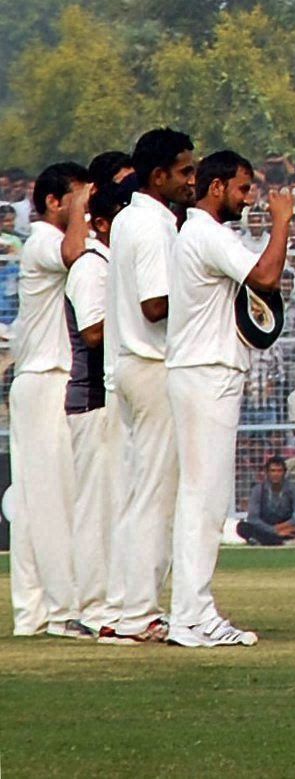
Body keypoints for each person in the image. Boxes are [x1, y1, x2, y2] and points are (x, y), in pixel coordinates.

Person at [164, 151, 292, 647]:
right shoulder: (206, 233)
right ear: (216, 187)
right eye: (242, 189)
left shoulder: (197, 233)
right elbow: (264, 278)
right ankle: (192, 616)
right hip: (206, 372)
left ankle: (189, 613)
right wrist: (281, 223)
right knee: (204, 498)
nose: (249, 198)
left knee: (201, 497)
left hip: (201, 370)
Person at [98, 128, 195, 645]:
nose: (192, 181)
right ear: (159, 176)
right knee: (156, 497)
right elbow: (157, 305)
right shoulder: (154, 226)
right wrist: (207, 297)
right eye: (185, 171)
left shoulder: (130, 219)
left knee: (142, 495)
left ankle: (127, 606)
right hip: (154, 365)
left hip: (132, 367)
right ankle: (139, 613)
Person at [8, 163, 92, 638]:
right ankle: (60, 612)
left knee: (34, 502)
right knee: (52, 500)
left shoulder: (39, 241)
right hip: (44, 379)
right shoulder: (42, 239)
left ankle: (32, 612)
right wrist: (81, 211)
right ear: (55, 201)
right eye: (77, 198)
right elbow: (75, 252)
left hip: (37, 380)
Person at [62, 152, 133, 638]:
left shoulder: (110, 262)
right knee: (95, 508)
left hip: (109, 401)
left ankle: (114, 603)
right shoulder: (91, 265)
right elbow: (92, 333)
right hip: (92, 402)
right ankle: (91, 608)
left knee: (114, 506)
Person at [237, 456, 295, 545]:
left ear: (284, 473)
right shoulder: (258, 490)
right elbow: (253, 518)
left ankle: (268, 541)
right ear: (267, 473)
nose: (276, 474)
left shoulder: (294, 489)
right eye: (273, 471)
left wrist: (282, 526)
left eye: (279, 471)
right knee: (242, 527)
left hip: (287, 526)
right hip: (265, 527)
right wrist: (274, 530)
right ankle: (286, 541)